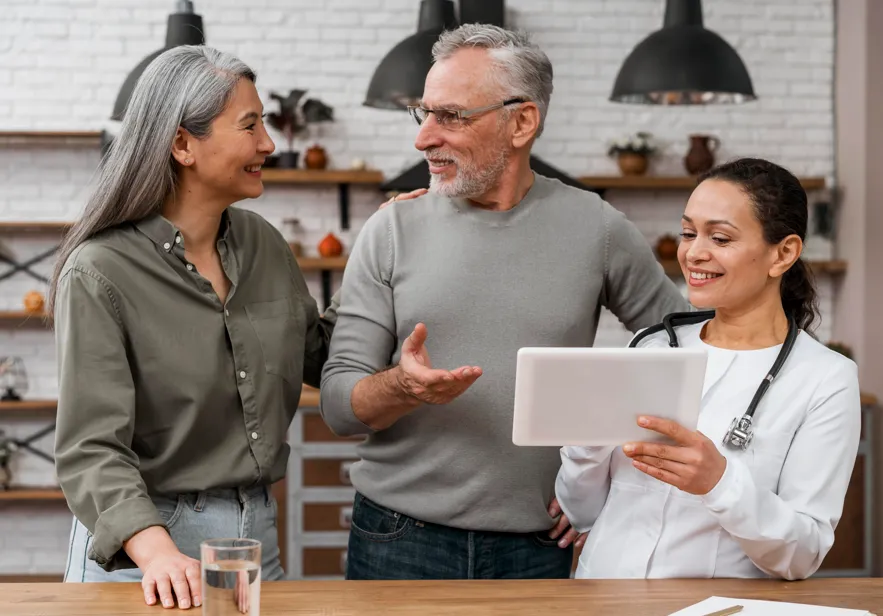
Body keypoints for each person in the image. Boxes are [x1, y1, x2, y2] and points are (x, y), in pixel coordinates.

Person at [319, 24, 689, 581]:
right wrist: (402, 385)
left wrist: (603, 474)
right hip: (398, 539)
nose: (423, 139)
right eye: (423, 115)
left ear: (521, 122)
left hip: (538, 544)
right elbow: (339, 406)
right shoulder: (392, 228)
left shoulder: (599, 229)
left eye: (451, 116)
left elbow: (684, 353)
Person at [51, 45, 339, 610]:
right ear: (182, 143)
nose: (269, 144)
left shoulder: (264, 245)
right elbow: (91, 448)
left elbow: (321, 355)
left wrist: (389, 253)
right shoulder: (99, 271)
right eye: (250, 125)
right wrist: (156, 552)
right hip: (145, 553)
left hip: (254, 538)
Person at [555, 158, 861, 580]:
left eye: (719, 237)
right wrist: (584, 443)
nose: (694, 253)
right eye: (688, 233)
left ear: (784, 253)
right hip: (602, 596)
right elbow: (583, 512)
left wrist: (719, 483)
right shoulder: (649, 346)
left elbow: (802, 554)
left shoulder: (826, 378)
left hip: (713, 607)